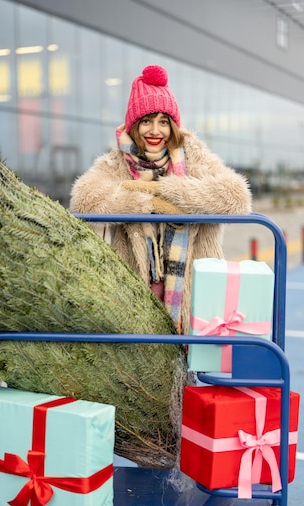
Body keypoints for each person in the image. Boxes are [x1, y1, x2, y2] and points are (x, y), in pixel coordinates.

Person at [70, 65, 252, 334]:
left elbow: (237, 196)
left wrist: (171, 192)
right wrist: (145, 203)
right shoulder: (118, 161)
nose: (155, 130)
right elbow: (83, 199)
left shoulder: (191, 153)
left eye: (163, 122)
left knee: (184, 370)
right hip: (135, 292)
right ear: (134, 125)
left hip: (191, 296)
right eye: (146, 121)